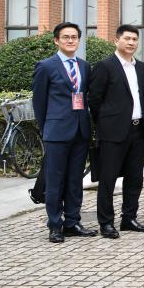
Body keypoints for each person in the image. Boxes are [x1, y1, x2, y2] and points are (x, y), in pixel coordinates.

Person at [32, 22, 96, 243]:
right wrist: (47, 128)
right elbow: (39, 102)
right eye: (66, 37)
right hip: (56, 132)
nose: (70, 40)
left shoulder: (85, 66)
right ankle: (54, 225)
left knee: (75, 180)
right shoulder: (46, 66)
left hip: (80, 131)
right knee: (55, 181)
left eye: (74, 37)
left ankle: (72, 222)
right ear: (56, 41)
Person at [88, 24, 144, 239]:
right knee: (108, 179)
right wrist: (106, 123)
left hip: (137, 130)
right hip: (113, 132)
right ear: (116, 41)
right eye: (127, 38)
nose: (131, 42)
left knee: (135, 177)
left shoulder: (141, 67)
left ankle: (129, 218)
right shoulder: (105, 66)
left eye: (135, 39)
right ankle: (106, 223)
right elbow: (94, 100)